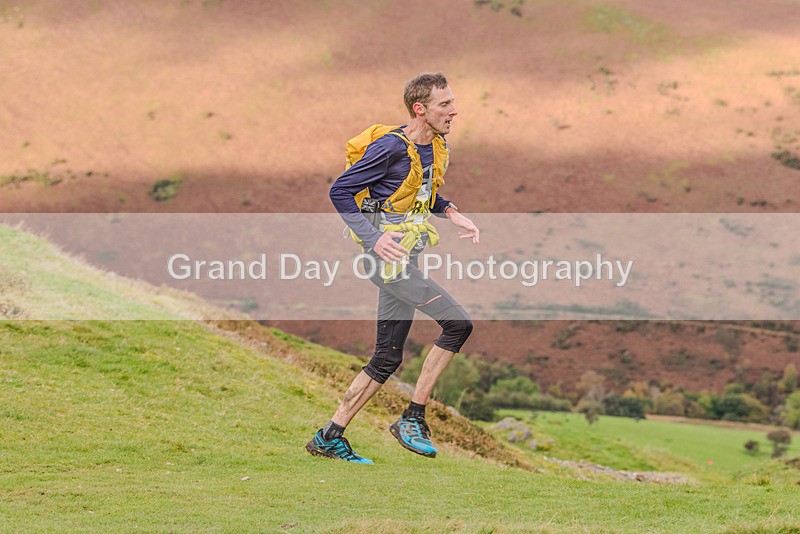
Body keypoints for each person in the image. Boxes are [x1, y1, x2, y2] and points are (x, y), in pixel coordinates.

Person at [306, 72, 479, 464]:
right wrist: (373, 239)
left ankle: (329, 436)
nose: (454, 110)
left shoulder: (435, 146)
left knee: (386, 358)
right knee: (458, 324)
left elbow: (422, 195)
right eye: (445, 104)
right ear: (420, 109)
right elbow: (340, 191)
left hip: (406, 259)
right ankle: (413, 418)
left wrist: (452, 212)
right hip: (386, 264)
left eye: (452, 102)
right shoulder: (390, 148)